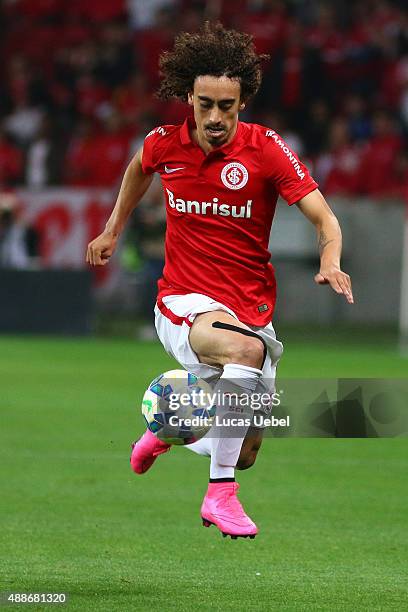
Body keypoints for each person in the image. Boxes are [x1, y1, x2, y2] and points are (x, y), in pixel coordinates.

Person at [86, 22, 353, 539]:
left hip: (248, 310)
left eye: (225, 107)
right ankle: (219, 494)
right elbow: (139, 168)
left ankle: (167, 432)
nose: (213, 117)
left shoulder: (266, 150)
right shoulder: (164, 143)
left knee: (248, 446)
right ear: (188, 96)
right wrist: (112, 228)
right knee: (244, 356)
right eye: (204, 103)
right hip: (181, 303)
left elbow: (325, 219)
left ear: (243, 103)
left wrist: (331, 260)